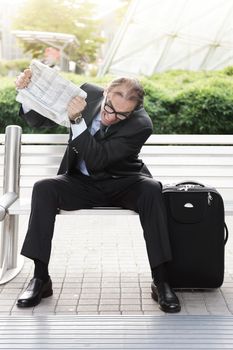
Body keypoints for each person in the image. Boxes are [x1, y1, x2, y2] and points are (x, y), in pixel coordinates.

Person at [15, 70, 181, 313]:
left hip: (123, 182)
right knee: (44, 188)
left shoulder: (141, 124)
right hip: (81, 183)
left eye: (122, 115)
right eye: (110, 108)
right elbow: (38, 119)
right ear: (105, 92)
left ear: (133, 112)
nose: (111, 118)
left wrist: (76, 121)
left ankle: (162, 280)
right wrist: (25, 92)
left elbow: (97, 159)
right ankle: (40, 278)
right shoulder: (86, 95)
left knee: (151, 190)